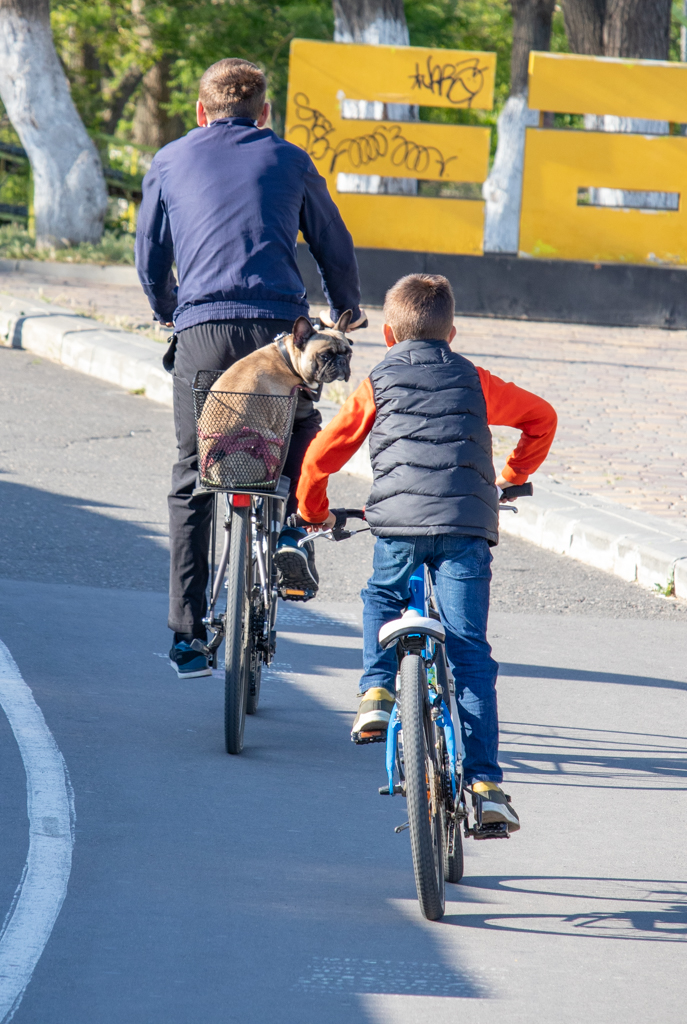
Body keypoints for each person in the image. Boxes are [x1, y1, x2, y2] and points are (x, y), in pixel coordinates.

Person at [294, 274, 557, 831]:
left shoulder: (377, 380)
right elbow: (541, 417)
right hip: (465, 526)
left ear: (388, 333)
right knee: (469, 656)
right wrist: (511, 476)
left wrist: (314, 511)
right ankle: (485, 784)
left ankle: (376, 690)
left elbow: (321, 456)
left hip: (396, 525)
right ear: (452, 333)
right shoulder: (476, 379)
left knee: (382, 595)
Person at [135, 58, 364, 679]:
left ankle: (187, 635)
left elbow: (151, 254)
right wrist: (345, 307)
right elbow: (331, 240)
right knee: (296, 432)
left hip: (203, 331)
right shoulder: (289, 158)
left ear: (201, 112)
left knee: (192, 475)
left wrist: (166, 311)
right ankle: (290, 532)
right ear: (265, 113)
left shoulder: (170, 159)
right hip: (275, 332)